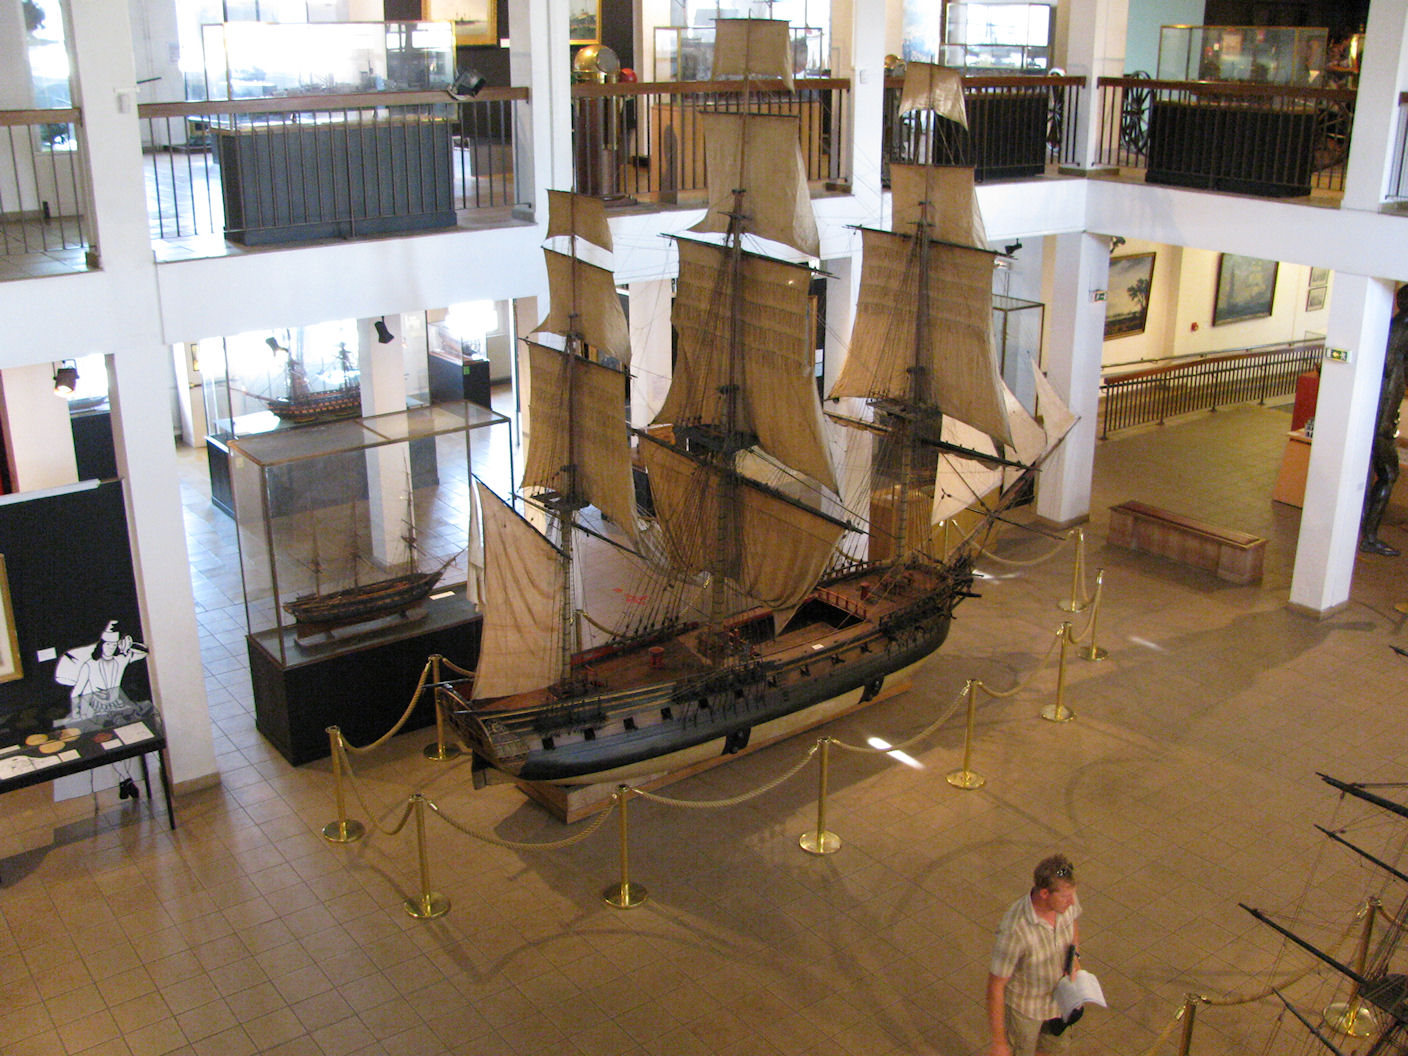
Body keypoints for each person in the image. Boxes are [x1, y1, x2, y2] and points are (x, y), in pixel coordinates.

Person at [987, 854, 1082, 1056]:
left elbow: (1073, 923)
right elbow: (996, 986)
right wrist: (999, 1042)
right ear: (1045, 893)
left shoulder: (1065, 901)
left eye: (1073, 895)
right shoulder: (1014, 930)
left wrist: (1075, 959)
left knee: (1055, 1049)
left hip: (1059, 1001)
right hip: (1027, 1009)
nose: (1072, 902)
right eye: (1066, 897)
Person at [1360, 286, 1408, 556]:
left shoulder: (1396, 329)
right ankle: (1368, 536)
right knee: (1388, 474)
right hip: (1380, 423)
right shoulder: (1401, 330)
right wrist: (1385, 425)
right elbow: (1388, 374)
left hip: (1381, 421)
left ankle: (1366, 533)